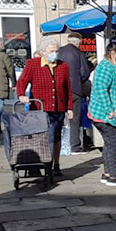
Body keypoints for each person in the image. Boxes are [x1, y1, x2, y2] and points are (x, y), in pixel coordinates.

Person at [16, 36, 73, 177]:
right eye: (52, 50)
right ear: (43, 52)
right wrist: (22, 95)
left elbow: (67, 88)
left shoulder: (63, 66)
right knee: (45, 137)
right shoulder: (33, 64)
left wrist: (69, 107)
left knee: (56, 137)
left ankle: (56, 164)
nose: (55, 53)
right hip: (41, 108)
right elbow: (22, 81)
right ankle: (44, 163)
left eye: (57, 51)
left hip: (58, 108)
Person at [89, 42, 116, 187]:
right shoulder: (105, 68)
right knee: (114, 144)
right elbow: (100, 89)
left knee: (110, 144)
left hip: (109, 115)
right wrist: (109, 110)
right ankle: (113, 176)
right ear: (114, 54)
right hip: (107, 116)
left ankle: (108, 173)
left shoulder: (113, 67)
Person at [58, 32, 92, 153]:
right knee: (75, 118)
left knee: (58, 117)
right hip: (74, 89)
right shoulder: (79, 54)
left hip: (58, 89)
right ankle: (74, 146)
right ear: (79, 42)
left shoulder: (58, 52)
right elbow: (84, 73)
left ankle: (58, 144)